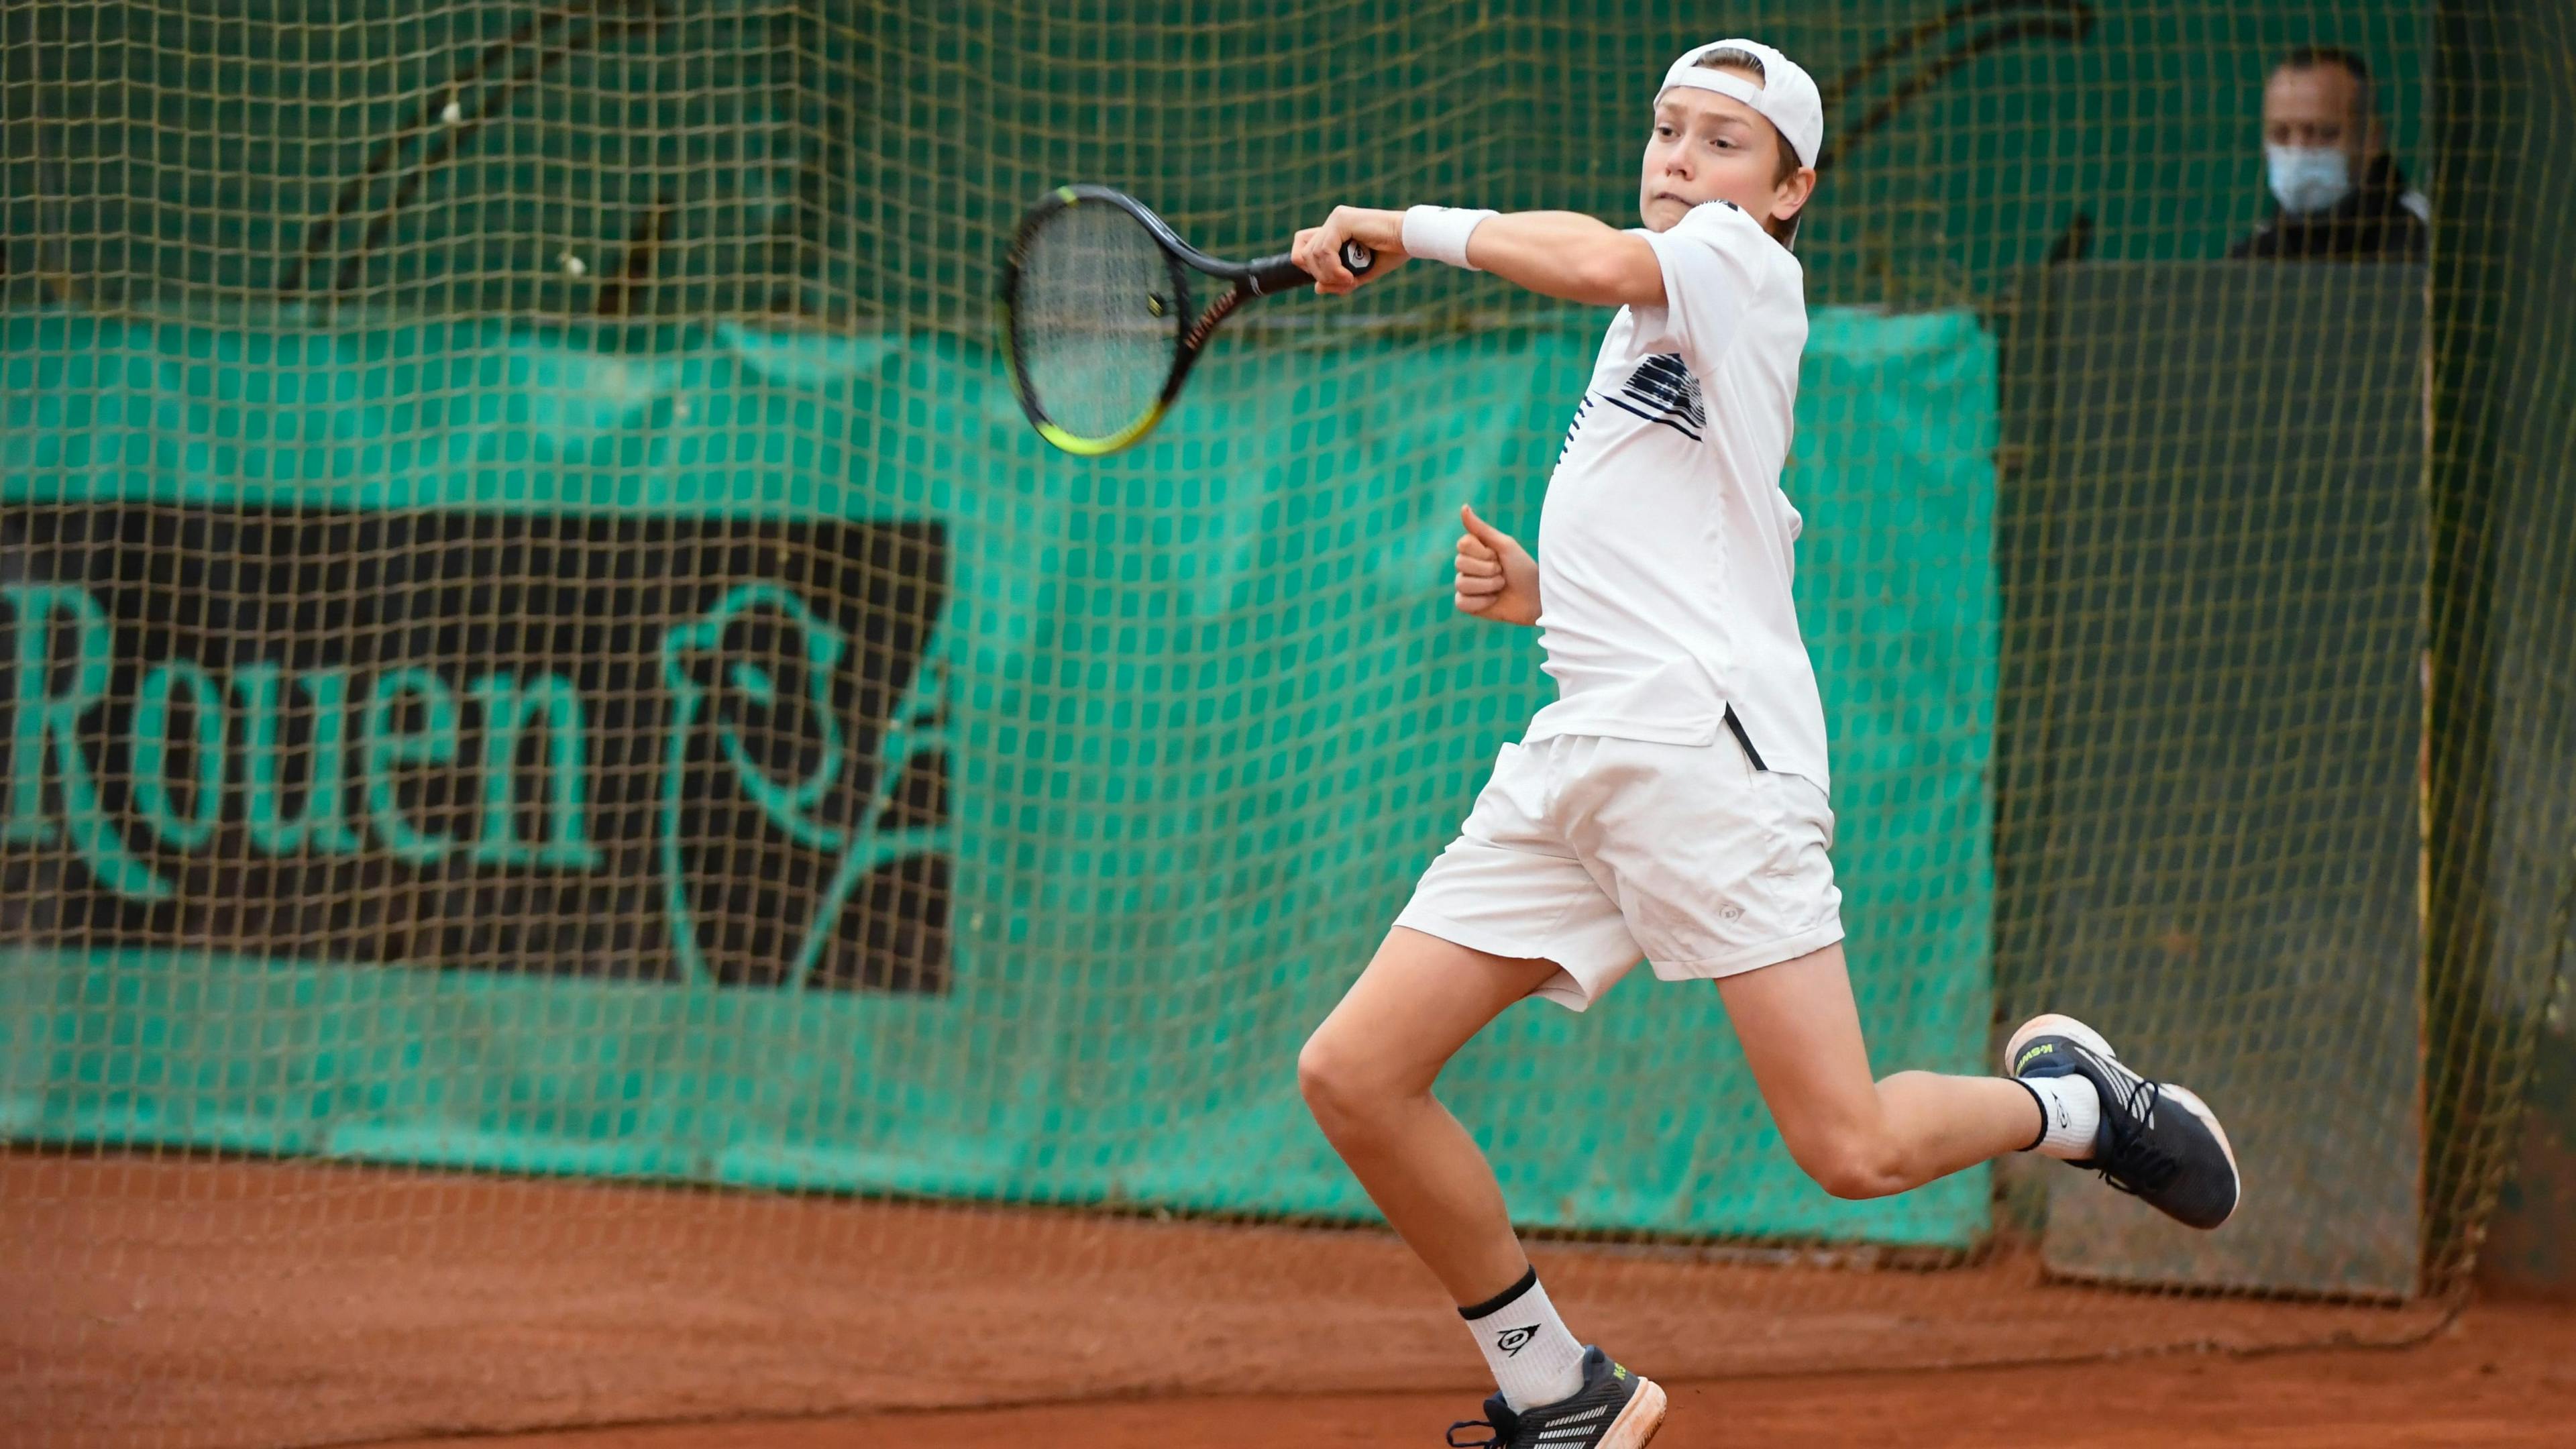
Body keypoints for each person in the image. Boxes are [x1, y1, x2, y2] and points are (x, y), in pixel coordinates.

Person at [1287, 37, 2243, 1449]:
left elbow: (1605, 260)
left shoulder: (1739, 264)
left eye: (1724, 140)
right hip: (1583, 752)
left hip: (1703, 762)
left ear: (1790, 188)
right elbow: (1724, 546)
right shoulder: (1661, 334)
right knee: (1355, 1075)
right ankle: (1562, 1391)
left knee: (1845, 1148)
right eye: (1668, 127)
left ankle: (2076, 1111)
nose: (1682, 156)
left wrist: (1409, 228)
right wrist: (1545, 599)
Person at [2231, 46, 2430, 261]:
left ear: (2371, 140)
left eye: (2322, 133)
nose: (2298, 150)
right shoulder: (2252, 260)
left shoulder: (2427, 244)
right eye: (2281, 134)